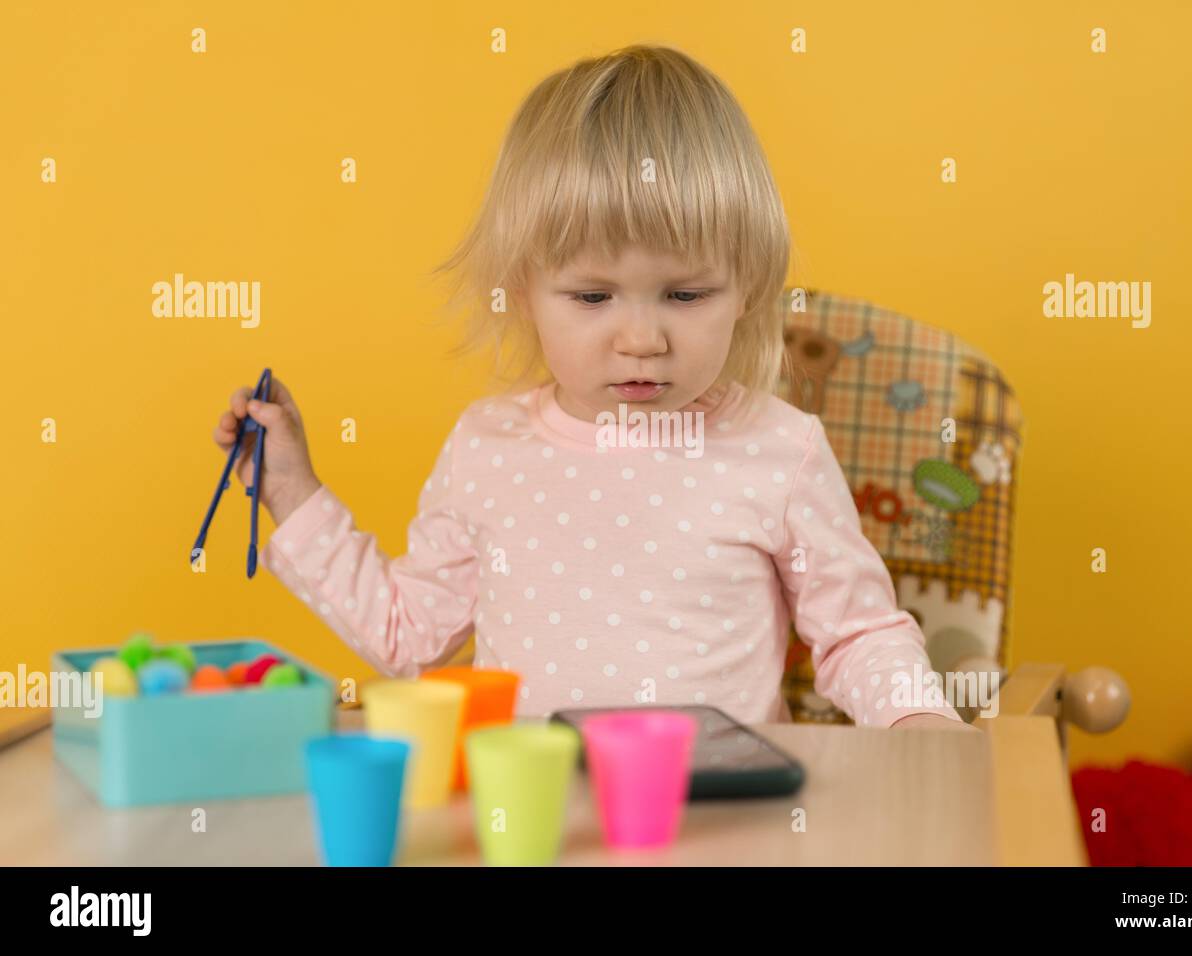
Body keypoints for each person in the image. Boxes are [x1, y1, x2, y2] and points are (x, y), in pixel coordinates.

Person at [213, 44, 969, 731]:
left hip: (725, 828)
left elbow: (858, 633)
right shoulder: (487, 447)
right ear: (525, 291)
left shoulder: (781, 452)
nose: (641, 339)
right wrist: (293, 493)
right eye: (591, 298)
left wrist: (918, 724)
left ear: (749, 287)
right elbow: (407, 639)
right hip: (535, 829)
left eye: (685, 295)